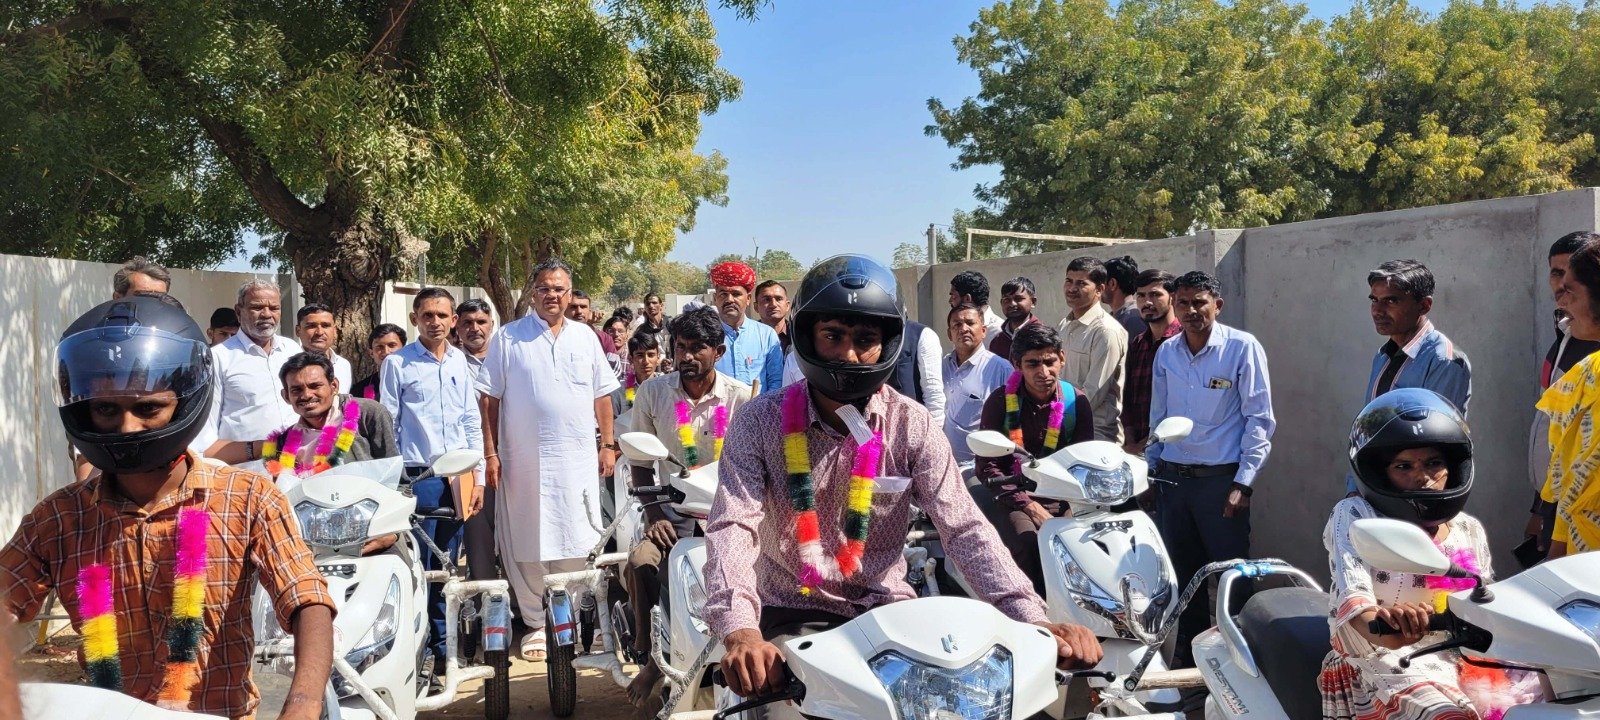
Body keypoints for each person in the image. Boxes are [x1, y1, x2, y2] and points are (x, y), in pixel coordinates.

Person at [705, 254, 1103, 700]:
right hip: (791, 610)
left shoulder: (911, 424)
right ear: (807, 338)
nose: (849, 354)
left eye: (865, 339)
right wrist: (741, 631)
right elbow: (732, 525)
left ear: (889, 343)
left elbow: (965, 529)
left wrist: (1032, 618)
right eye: (833, 336)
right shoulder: (759, 422)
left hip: (887, 609)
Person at [1, 295, 334, 720]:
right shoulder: (61, 518)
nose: (127, 427)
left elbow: (307, 599)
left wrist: (303, 704)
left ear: (187, 401)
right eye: (106, 409)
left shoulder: (248, 498)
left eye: (148, 408)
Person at [1321, 389, 1542, 720]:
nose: (1422, 476)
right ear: (1380, 473)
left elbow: (1483, 602)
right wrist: (1388, 624)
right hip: (1382, 662)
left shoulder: (1468, 528)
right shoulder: (1357, 516)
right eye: (1403, 466)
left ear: (1453, 467)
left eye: (1433, 463)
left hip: (1460, 657)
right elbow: (1354, 599)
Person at [481, 258, 621, 662]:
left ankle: (572, 619)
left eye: (559, 289)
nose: (552, 296)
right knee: (527, 536)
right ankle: (535, 622)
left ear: (569, 293)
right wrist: (491, 452)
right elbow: (488, 399)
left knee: (578, 533)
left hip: (577, 459)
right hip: (523, 460)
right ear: (533, 293)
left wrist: (607, 444)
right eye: (544, 288)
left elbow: (601, 396)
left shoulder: (585, 337)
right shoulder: (508, 338)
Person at [623, 307, 752, 709]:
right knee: (641, 562)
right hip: (670, 510)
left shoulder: (740, 397)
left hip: (725, 513)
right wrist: (654, 515)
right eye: (681, 347)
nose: (687, 356)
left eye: (697, 348)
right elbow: (641, 462)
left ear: (719, 351)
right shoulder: (653, 393)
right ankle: (652, 658)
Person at [1149, 271, 1274, 663]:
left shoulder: (1241, 348)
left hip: (1221, 484)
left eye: (1199, 302)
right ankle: (1190, 663)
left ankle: (1245, 661)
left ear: (1217, 305)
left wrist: (1244, 483)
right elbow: (1158, 415)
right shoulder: (1167, 353)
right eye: (1183, 303)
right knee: (1182, 578)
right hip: (1173, 481)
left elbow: (1259, 420)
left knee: (1232, 578)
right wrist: (1151, 471)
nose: (1191, 310)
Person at [380, 287, 487, 676]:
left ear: (453, 320)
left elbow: (471, 420)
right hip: (419, 476)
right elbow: (389, 424)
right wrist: (396, 482)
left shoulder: (459, 360)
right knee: (420, 568)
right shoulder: (398, 363)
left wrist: (478, 477)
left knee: (448, 564)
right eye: (427, 315)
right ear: (415, 319)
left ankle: (447, 651)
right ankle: (420, 651)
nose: (435, 322)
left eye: (443, 315)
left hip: (458, 477)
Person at [974, 324, 1094, 593]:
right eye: (1033, 364)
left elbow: (1083, 462)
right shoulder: (1000, 401)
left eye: (1050, 362)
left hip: (1064, 497)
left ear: (1062, 358)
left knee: (1084, 546)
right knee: (1028, 543)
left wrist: (1072, 507)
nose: (1043, 372)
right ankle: (1033, 610)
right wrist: (1029, 506)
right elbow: (987, 466)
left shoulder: (1076, 402)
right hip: (1013, 495)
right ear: (1017, 364)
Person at [1348, 260, 1471, 495]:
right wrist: (1356, 488)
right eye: (1374, 300)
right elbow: (1367, 430)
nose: (1377, 310)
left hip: (1417, 495)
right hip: (1376, 490)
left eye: (1391, 301)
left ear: (1424, 305)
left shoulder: (1444, 360)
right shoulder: (1383, 356)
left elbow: (1431, 443)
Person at [1525, 232, 1600, 560]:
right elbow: (1569, 467)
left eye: (1570, 290)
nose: (1560, 300)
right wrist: (1556, 540)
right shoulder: (1586, 368)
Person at [199, 280, 303, 456]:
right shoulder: (218, 358)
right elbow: (205, 437)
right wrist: (256, 450)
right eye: (257, 307)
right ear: (239, 312)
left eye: (274, 308)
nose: (267, 314)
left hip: (297, 463)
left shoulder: (292, 349)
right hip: (246, 468)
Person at [1058, 256, 1128, 443]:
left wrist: (1058, 418)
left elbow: (1093, 393)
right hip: (1064, 426)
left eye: (1081, 283)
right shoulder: (1065, 325)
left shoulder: (1106, 331)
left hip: (1095, 433)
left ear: (1100, 289)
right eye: (1069, 281)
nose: (1072, 288)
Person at [943, 303, 1014, 466]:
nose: (963, 329)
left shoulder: (1001, 369)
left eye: (970, 323)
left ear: (983, 331)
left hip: (978, 468)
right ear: (949, 334)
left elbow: (1013, 421)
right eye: (957, 325)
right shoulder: (941, 367)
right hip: (942, 464)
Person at [1122, 270, 1181, 454]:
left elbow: (1182, 404)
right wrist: (1131, 441)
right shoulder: (1138, 343)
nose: (1147, 302)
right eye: (1141, 296)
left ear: (1173, 298)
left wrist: (1146, 443)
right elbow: (1127, 396)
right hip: (1136, 450)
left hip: (1174, 449)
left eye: (1155, 295)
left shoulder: (1184, 342)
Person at [710, 262, 784, 394]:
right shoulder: (705, 335)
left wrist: (764, 406)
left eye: (736, 294)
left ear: (748, 299)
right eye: (723, 294)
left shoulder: (766, 335)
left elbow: (776, 381)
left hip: (759, 406)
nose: (729, 300)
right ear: (715, 299)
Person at [884, 318, 947, 426]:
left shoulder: (923, 335)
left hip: (911, 427)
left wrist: (934, 430)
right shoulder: (868, 331)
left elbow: (933, 392)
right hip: (876, 426)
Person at [293, 303, 353, 390]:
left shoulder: (343, 365)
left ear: (334, 330)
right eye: (312, 326)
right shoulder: (288, 364)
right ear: (298, 331)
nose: (319, 332)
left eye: (325, 326)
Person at [349, 323, 407, 401]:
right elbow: (351, 409)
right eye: (379, 347)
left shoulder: (416, 381)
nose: (386, 352)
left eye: (392, 345)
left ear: (404, 349)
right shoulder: (358, 390)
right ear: (371, 353)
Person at [988, 276, 1039, 362]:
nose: (1012, 304)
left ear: (1033, 302)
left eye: (1018, 299)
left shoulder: (1041, 336)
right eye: (1007, 300)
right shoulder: (997, 341)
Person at [618, 331, 664, 415]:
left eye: (651, 355)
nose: (646, 361)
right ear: (630, 359)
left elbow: (682, 418)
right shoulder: (620, 390)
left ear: (658, 357)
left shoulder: (670, 386)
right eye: (640, 355)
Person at [950, 269, 1005, 338]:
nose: (950, 301)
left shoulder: (999, 332)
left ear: (967, 299)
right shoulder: (958, 326)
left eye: (953, 296)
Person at [1104, 255, 1146, 337]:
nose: (1098, 288)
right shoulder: (1120, 316)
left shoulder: (1133, 319)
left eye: (1101, 282)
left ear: (1112, 284)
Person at [633, 293, 674, 371]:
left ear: (661, 306)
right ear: (645, 308)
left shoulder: (672, 325)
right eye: (648, 304)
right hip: (653, 371)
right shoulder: (642, 331)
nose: (651, 306)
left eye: (654, 303)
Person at [754, 280, 792, 354]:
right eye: (767, 299)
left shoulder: (799, 335)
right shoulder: (747, 336)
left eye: (779, 299)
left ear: (787, 306)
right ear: (756, 307)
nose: (773, 304)